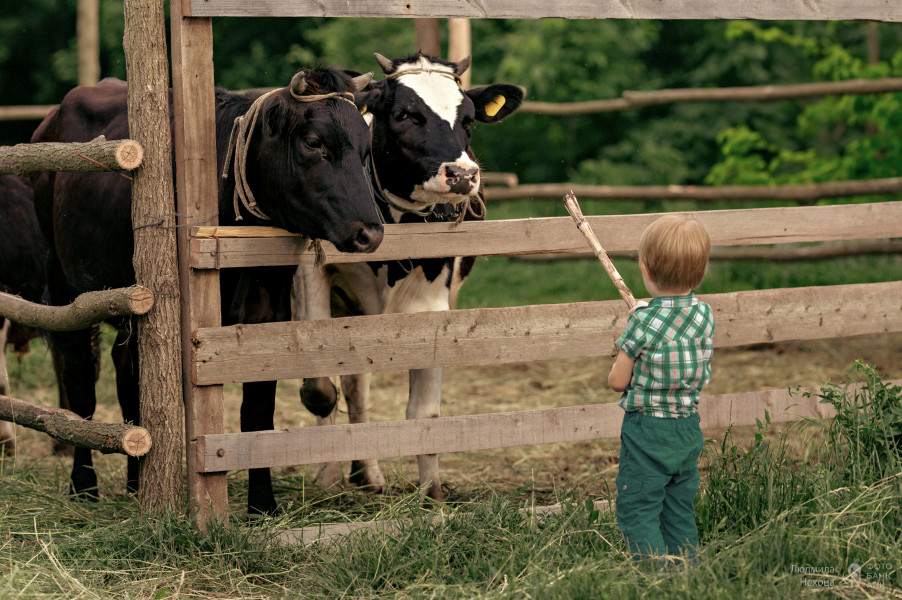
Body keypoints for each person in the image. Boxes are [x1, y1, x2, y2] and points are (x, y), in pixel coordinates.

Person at [607, 213, 714, 567]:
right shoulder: (704, 314)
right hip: (687, 428)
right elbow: (672, 322)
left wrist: (632, 332)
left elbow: (617, 381)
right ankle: (685, 571)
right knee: (677, 507)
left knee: (638, 507)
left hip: (648, 430)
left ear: (646, 271)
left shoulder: (642, 321)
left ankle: (657, 576)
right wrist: (647, 313)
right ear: (700, 272)